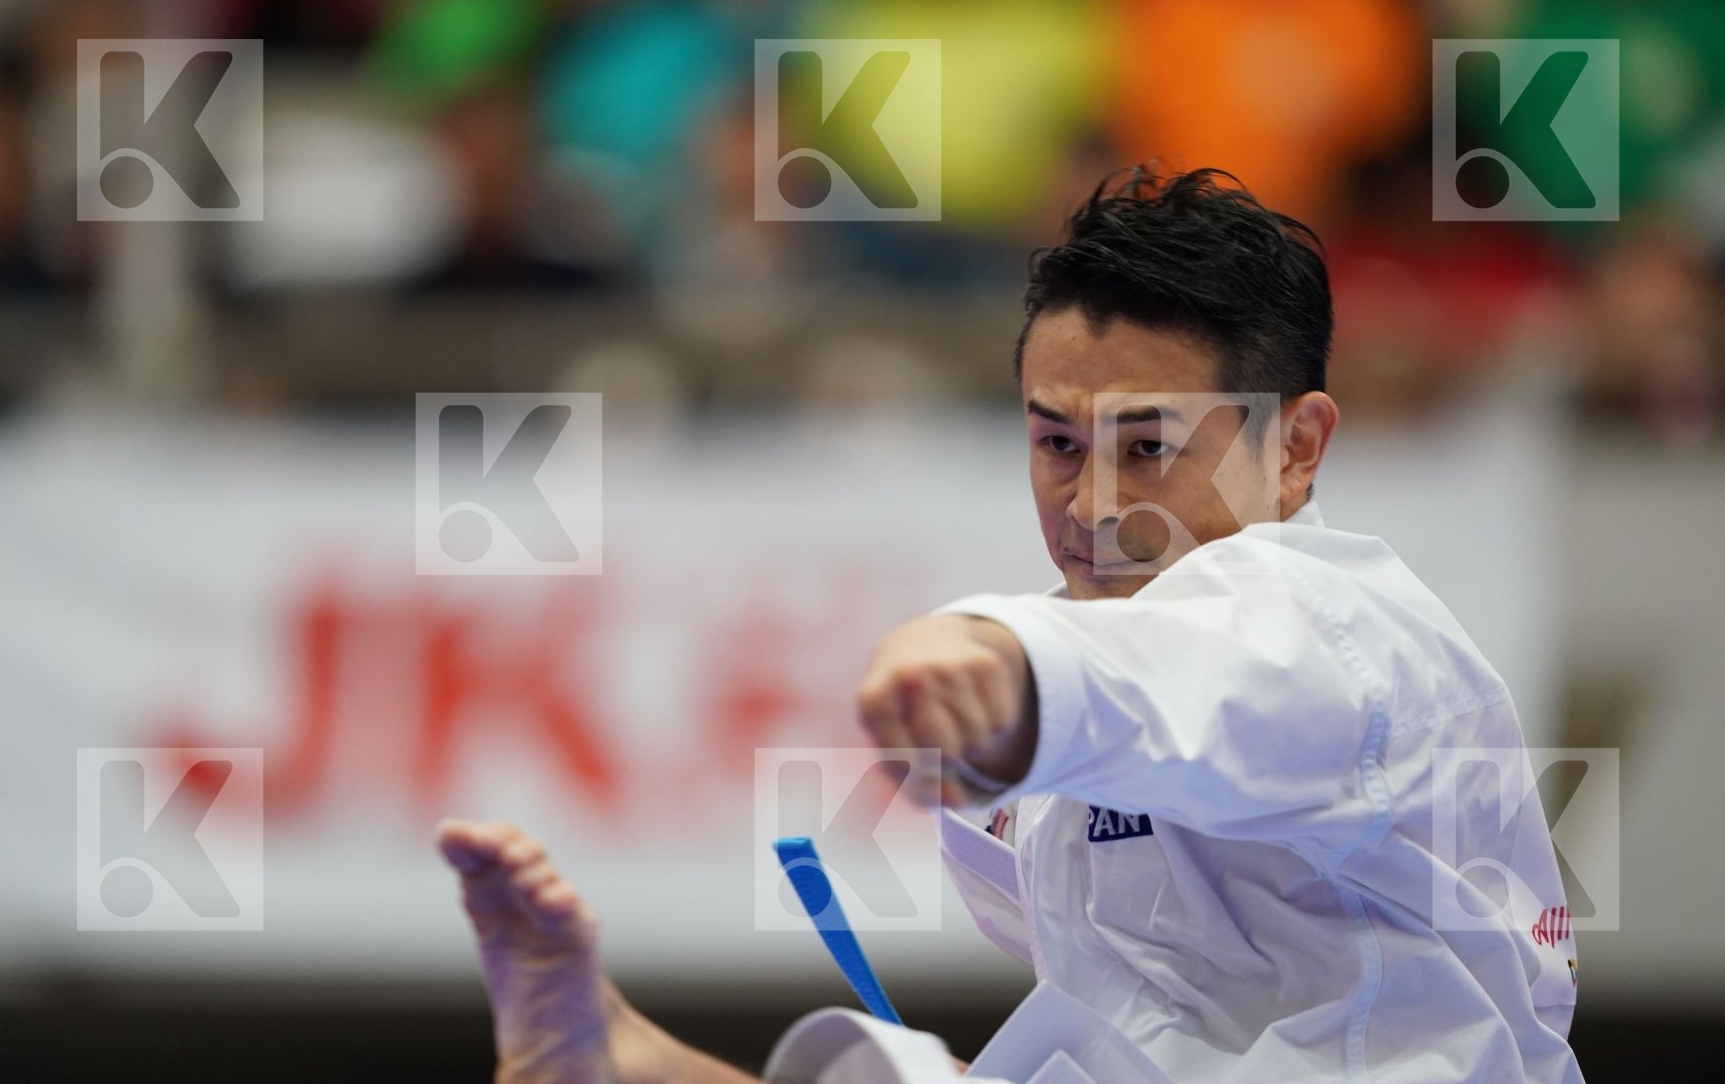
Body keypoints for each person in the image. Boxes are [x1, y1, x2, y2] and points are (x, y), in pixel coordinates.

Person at [439, 167, 1585, 1083]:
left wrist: (988, 661)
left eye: (1147, 448)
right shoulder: (1040, 778)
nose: (1090, 508)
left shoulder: (1339, 635)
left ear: (1295, 449)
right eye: (1056, 445)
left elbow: (1177, 673)